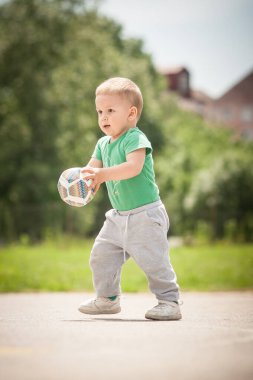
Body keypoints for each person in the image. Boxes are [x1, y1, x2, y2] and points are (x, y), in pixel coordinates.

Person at [78, 77, 181, 320]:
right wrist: (80, 182)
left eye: (110, 110)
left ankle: (169, 301)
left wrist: (102, 175)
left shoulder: (135, 138)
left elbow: (132, 167)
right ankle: (108, 298)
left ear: (131, 113)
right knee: (101, 255)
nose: (103, 117)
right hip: (117, 217)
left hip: (145, 215)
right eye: (100, 111)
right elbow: (91, 171)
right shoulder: (103, 144)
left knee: (155, 262)